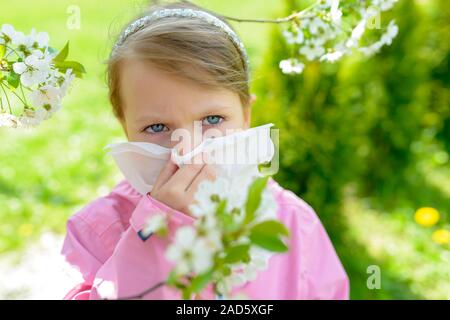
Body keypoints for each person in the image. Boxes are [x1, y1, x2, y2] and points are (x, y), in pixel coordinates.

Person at [60, 1, 349, 300]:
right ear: (125, 129)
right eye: (158, 127)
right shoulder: (97, 231)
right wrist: (154, 238)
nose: (188, 149)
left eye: (212, 120)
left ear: (246, 116)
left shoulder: (293, 224)